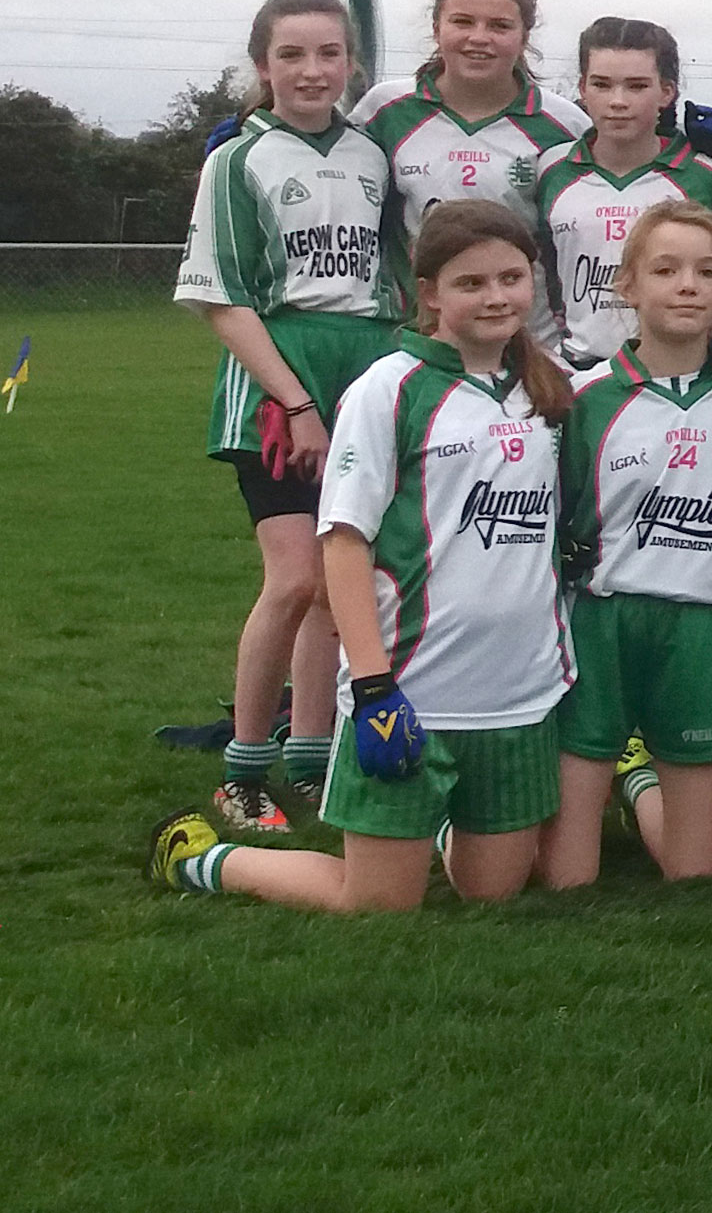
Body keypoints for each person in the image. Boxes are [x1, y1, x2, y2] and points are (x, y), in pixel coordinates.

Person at [150, 201, 575, 910]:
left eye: (512, 278)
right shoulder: (389, 389)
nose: (497, 296)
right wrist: (373, 684)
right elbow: (343, 542)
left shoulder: (547, 387)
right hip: (412, 690)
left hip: (519, 695)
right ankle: (204, 857)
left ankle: (429, 825)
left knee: (493, 893)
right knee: (375, 903)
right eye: (472, 283)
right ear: (429, 294)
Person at [176, 0, 393, 834]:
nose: (311, 70)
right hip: (277, 383)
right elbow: (221, 299)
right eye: (292, 55)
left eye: (328, 54)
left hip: (362, 372)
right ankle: (243, 767)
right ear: (263, 65)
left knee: (341, 587)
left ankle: (310, 756)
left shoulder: (370, 154)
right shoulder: (238, 158)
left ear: (351, 64)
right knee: (295, 576)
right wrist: (294, 399)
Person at [545, 200, 712, 887]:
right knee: (567, 879)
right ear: (628, 285)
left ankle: (636, 780)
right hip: (600, 622)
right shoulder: (581, 400)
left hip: (699, 627)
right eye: (665, 269)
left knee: (693, 872)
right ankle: (610, 765)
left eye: (706, 271)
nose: (688, 285)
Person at [523, 17, 712, 367]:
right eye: (602, 85)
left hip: (686, 368)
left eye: (636, 86)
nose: (617, 101)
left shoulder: (709, 175)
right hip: (580, 370)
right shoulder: (551, 169)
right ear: (583, 88)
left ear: (666, 92)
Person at [360, 0, 582, 232]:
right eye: (463, 22)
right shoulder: (383, 110)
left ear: (524, 37)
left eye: (499, 26)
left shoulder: (567, 125)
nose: (479, 37)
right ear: (436, 29)